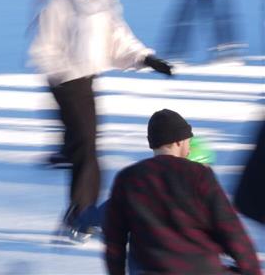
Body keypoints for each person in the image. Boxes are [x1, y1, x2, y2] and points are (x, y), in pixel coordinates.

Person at [29, 0, 173, 242]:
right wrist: (63, 72)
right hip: (65, 82)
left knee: (88, 148)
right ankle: (80, 215)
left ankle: (82, 213)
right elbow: (42, 49)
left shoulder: (103, 3)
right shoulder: (59, 3)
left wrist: (146, 58)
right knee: (86, 148)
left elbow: (119, 40)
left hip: (87, 79)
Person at [104, 109, 261, 275]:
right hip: (201, 269)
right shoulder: (198, 174)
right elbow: (230, 229)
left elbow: (114, 239)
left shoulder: (128, 178)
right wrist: (252, 270)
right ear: (179, 141)